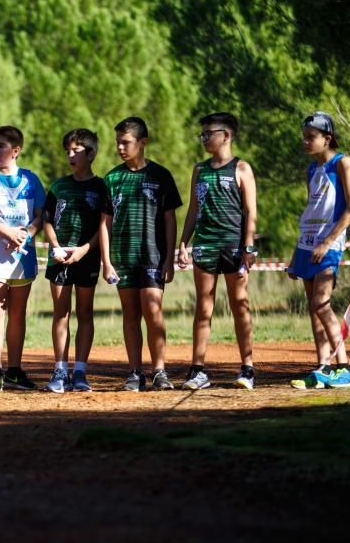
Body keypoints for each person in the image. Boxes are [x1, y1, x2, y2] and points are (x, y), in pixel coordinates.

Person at [177, 113, 258, 390]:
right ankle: (197, 370)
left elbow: (250, 211)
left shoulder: (242, 168)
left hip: (234, 246)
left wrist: (248, 246)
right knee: (204, 307)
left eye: (208, 133)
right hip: (205, 245)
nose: (203, 138)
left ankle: (247, 368)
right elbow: (193, 209)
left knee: (239, 304)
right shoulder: (199, 170)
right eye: (202, 134)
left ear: (226, 135)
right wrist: (184, 242)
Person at [101, 116, 182, 392]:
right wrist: (106, 262)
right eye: (118, 143)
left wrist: (169, 258)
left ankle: (160, 371)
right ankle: (135, 372)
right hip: (122, 258)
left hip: (152, 256)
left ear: (143, 142)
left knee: (153, 311)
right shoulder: (112, 178)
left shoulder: (160, 176)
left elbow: (170, 220)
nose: (120, 148)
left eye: (126, 142)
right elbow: (104, 222)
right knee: (130, 314)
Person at [288, 111, 350, 389]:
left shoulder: (342, 163)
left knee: (322, 303)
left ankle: (345, 368)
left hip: (328, 244)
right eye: (304, 137)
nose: (305, 142)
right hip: (307, 244)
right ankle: (323, 368)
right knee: (313, 308)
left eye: (311, 138)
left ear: (327, 138)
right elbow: (311, 210)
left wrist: (327, 242)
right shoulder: (311, 170)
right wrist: (298, 252)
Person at [0, 125, 45, 391]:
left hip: (22, 256)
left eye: (1, 145)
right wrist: (6, 231)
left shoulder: (31, 179)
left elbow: (40, 215)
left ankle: (15, 370)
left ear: (16, 151)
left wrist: (26, 233)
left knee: (18, 313)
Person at [43, 128, 109, 393]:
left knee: (84, 312)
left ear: (90, 153)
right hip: (59, 258)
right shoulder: (59, 186)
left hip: (87, 257)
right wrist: (56, 246)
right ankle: (59, 371)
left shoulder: (101, 187)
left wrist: (84, 249)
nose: (70, 155)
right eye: (67, 151)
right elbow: (46, 220)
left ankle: (80, 372)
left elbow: (106, 226)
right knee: (61, 313)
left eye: (76, 151)